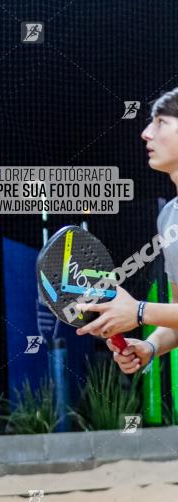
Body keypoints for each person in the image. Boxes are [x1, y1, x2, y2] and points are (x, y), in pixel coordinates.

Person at [77, 88, 178, 374]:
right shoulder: (169, 217)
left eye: (161, 123)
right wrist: (151, 346)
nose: (146, 133)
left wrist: (138, 311)